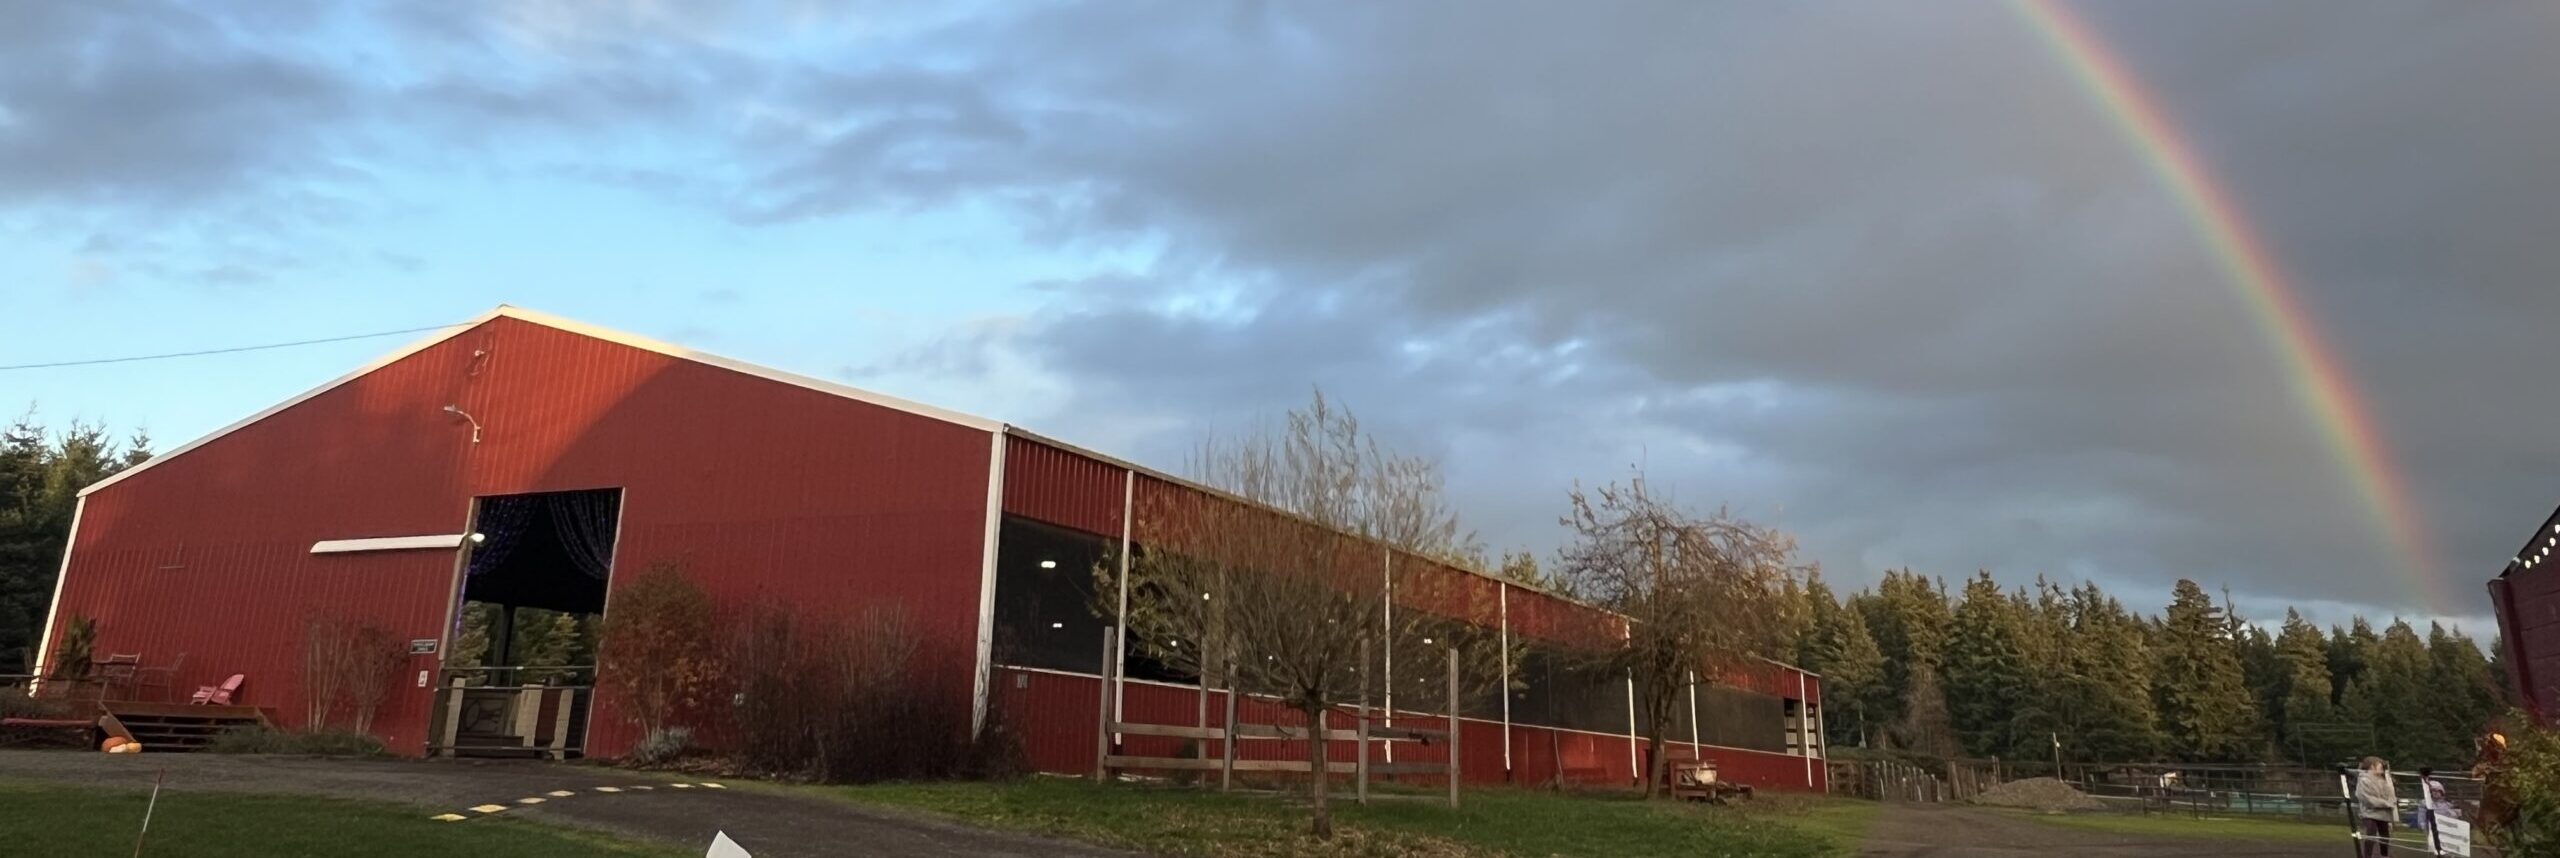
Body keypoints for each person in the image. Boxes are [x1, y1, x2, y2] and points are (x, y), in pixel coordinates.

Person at [2355, 757, 2397, 857]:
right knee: (2371, 834)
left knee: (2385, 836)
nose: (2382, 767)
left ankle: (2384, 855)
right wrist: (2386, 804)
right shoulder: (2363, 780)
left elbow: (2391, 796)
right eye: (2379, 765)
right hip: (2369, 813)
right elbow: (2367, 799)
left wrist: (2391, 803)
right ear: (2371, 767)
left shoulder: (2385, 781)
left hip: (2384, 814)